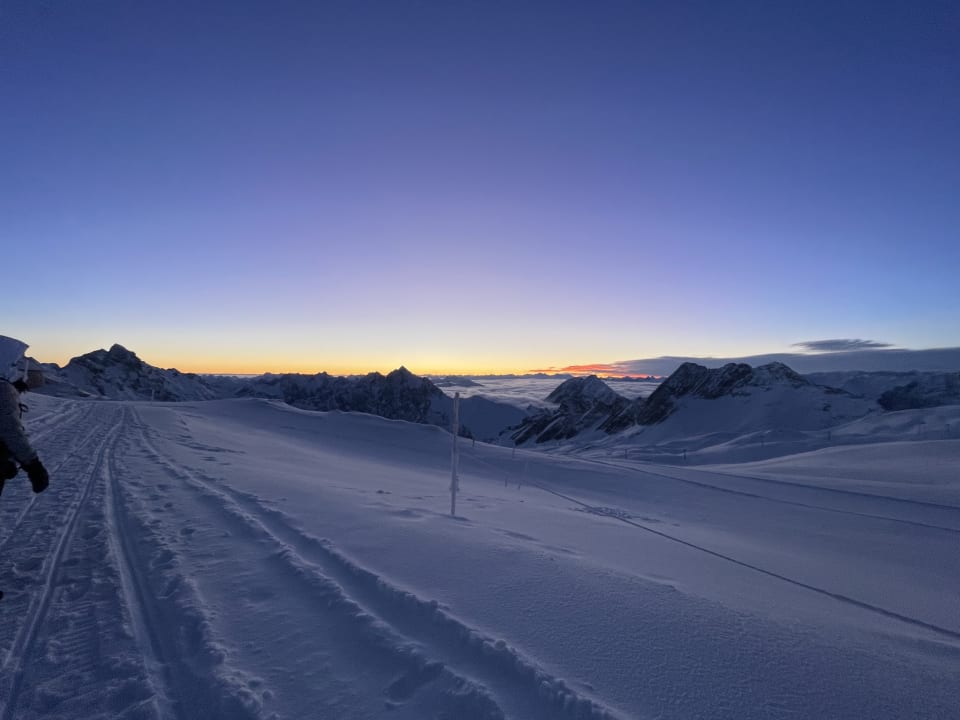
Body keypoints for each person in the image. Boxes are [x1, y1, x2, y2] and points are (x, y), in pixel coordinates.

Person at [0, 335, 49, 496]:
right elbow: (11, 432)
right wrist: (33, 465)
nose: (17, 368)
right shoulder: (2, 390)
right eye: (14, 363)